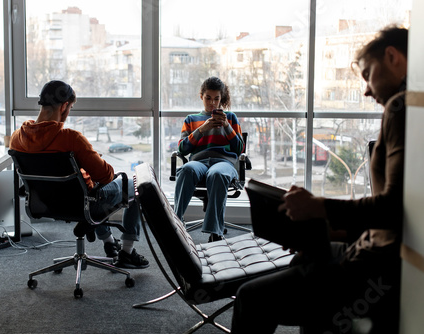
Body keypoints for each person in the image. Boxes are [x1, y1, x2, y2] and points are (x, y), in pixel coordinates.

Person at [231, 26, 408, 333]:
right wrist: (324, 226)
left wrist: (319, 207)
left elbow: (394, 207)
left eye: (367, 74)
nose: (365, 90)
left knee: (250, 297)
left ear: (392, 56)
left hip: (378, 263)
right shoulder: (409, 107)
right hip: (372, 248)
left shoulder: (401, 107)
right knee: (305, 257)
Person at [10, 80, 149, 269]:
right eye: (71, 107)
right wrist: (92, 158)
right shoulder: (71, 138)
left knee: (87, 188)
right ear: (65, 105)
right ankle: (127, 251)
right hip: (81, 203)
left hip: (45, 203)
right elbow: (105, 176)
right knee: (134, 183)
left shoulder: (17, 138)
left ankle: (109, 242)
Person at [174, 76, 245, 242]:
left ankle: (215, 232)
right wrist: (202, 129)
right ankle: (176, 221)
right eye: (208, 98)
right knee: (187, 169)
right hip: (199, 162)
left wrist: (227, 126)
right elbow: (182, 149)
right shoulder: (191, 119)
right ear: (201, 96)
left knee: (217, 173)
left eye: (216, 99)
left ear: (221, 98)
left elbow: (239, 148)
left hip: (224, 162)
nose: (212, 103)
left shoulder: (231, 118)